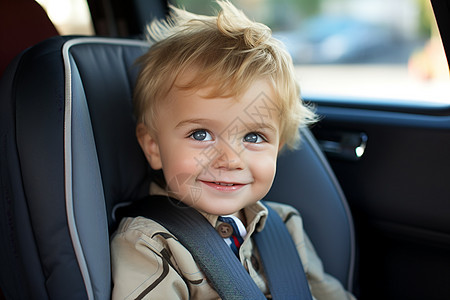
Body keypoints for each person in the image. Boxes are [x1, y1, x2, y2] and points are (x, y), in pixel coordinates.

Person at [111, 1, 355, 299]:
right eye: (200, 134)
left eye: (253, 137)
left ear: (277, 149)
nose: (229, 159)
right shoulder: (150, 245)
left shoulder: (284, 226)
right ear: (154, 147)